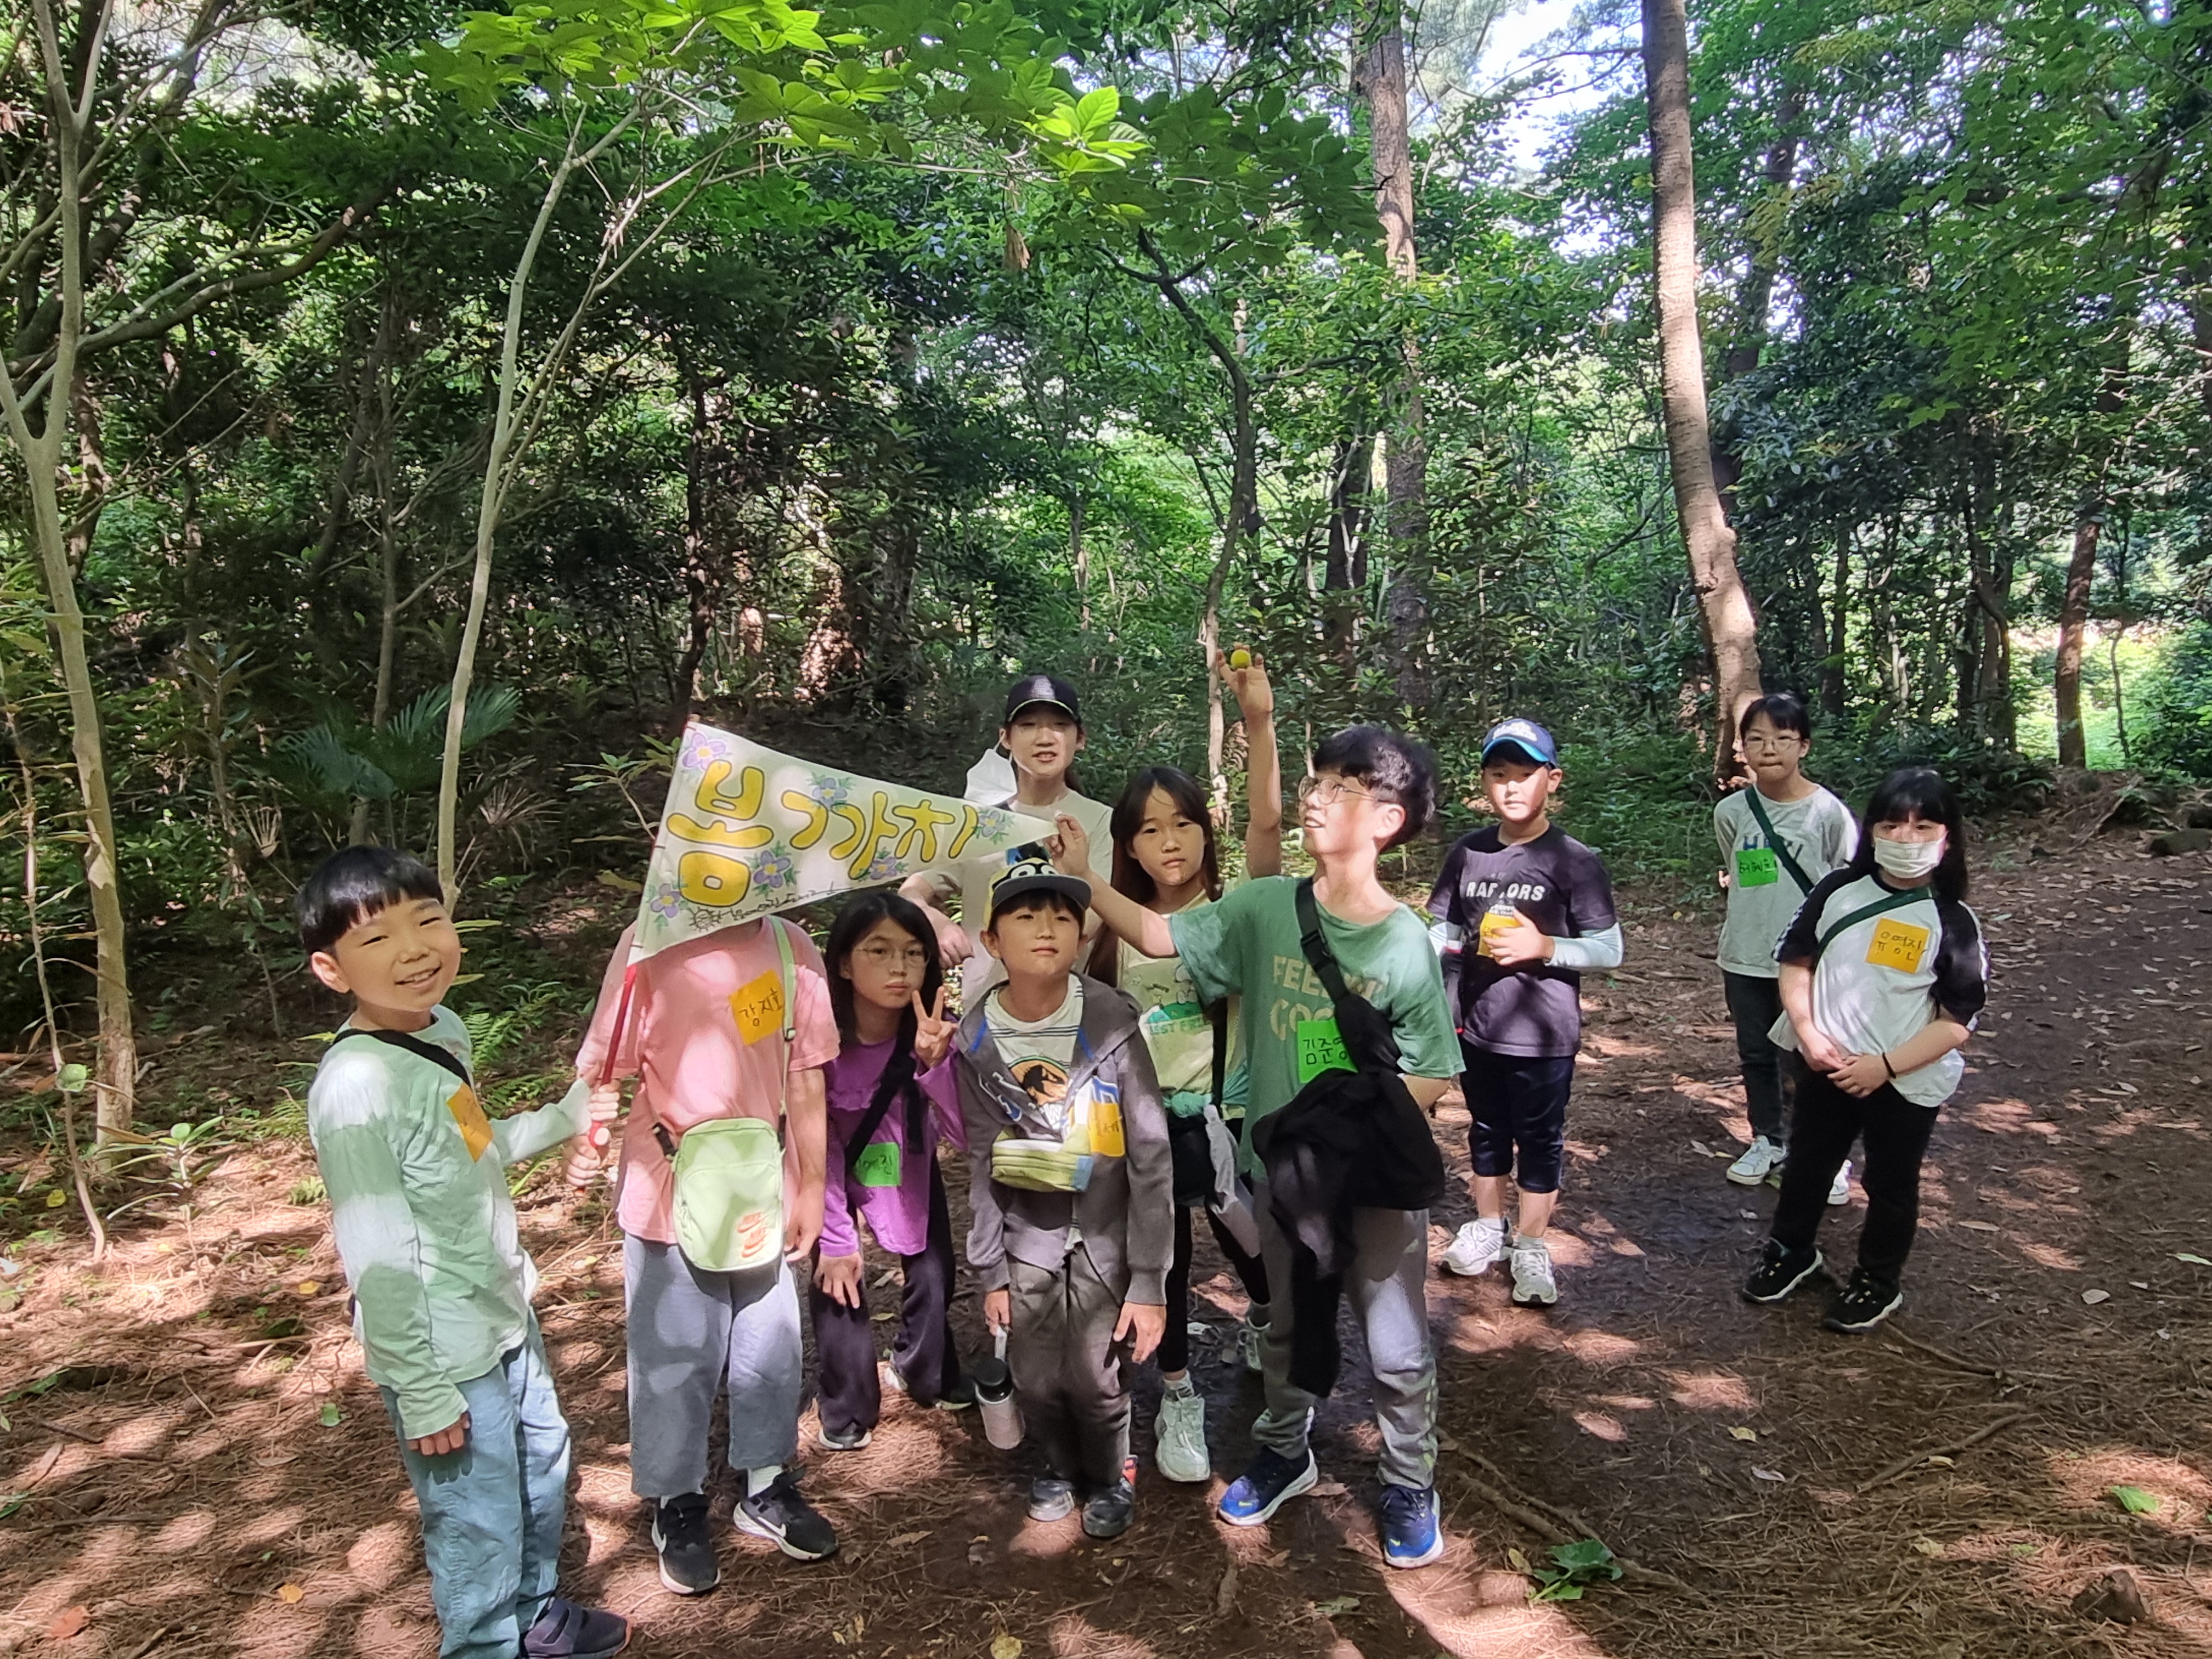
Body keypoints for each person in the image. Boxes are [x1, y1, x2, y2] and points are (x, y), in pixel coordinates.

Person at [1052, 725, 1460, 1570]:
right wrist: (1086, 878)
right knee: (1285, 1324)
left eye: (1342, 787)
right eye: (1316, 781)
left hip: (1371, 1180)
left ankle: (1409, 1478)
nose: (1317, 797)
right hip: (1281, 1175)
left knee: (1396, 1347)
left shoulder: (1404, 941)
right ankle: (1284, 1448)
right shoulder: (1267, 908)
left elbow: (1433, 1069)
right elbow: (1160, 937)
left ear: (1387, 821)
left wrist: (1349, 1131)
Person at [297, 847, 628, 1659]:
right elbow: (373, 1246)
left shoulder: (441, 1031)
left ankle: (534, 1614)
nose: (414, 950)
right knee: (476, 1516)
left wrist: (565, 1115)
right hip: (442, 1347)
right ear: (331, 969)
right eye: (377, 939)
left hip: (501, 1308)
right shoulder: (354, 1087)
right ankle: (484, 1644)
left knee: (541, 1463)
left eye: (428, 920)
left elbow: (469, 1145)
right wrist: (419, 1386)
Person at [573, 906, 839, 1594]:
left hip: (762, 1183)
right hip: (671, 1182)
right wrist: (586, 1135)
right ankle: (678, 1500)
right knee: (675, 1354)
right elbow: (606, 1067)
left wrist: (813, 1185)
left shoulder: (790, 946)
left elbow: (806, 1074)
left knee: (769, 1342)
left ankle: (766, 1483)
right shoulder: (650, 943)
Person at [1086, 650, 1283, 1485]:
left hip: (1225, 1120)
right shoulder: (1106, 927)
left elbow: (1268, 832)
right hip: (1143, 1125)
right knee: (1160, 1259)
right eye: (1148, 829)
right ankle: (1177, 1394)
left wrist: (1259, 723)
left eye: (1182, 823)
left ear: (1206, 829)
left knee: (1250, 1247)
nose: (1168, 842)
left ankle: (1267, 1328)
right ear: (1129, 847)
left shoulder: (1237, 912)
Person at [953, 853, 1173, 1541]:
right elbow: (983, 1159)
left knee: (1097, 1374)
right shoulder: (977, 1040)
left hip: (1108, 1234)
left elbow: (1150, 1154)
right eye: (1025, 916)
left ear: (1083, 935)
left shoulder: (1111, 1021)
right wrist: (990, 1268)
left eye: (1061, 916)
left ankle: (1109, 1473)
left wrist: (1150, 1279)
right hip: (1030, 1237)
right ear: (993, 941)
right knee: (1036, 1374)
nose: (1046, 928)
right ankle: (1056, 1465)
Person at [1741, 766, 1987, 1334]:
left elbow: (1957, 1022)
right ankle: (1791, 1252)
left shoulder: (1952, 921)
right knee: (1807, 1166)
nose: (1905, 839)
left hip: (1904, 1081)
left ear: (1948, 838)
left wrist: (1885, 1066)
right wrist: (1809, 1033)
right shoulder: (1837, 891)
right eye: (1892, 826)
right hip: (1826, 1063)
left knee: (1891, 1184)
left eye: (1923, 827)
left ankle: (1878, 1280)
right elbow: (1795, 961)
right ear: (1871, 830)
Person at [1429, 719, 1622, 1308]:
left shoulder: (1573, 860)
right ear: (1484, 783)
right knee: (1486, 1128)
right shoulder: (1469, 853)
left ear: (1552, 780)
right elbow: (1444, 932)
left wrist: (1544, 947)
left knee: (1540, 1137)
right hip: (1477, 1025)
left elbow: (1609, 949)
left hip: (1545, 1033)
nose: (1511, 787)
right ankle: (1489, 1225)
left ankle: (1532, 1243)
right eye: (1499, 774)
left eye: (1524, 774)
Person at [811, 891, 970, 1450]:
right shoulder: (818, 1038)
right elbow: (816, 1140)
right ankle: (847, 1402)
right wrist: (836, 1235)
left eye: (913, 952)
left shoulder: (937, 1029)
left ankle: (926, 1367)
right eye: (878, 951)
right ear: (843, 964)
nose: (898, 967)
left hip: (909, 1163)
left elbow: (961, 1134)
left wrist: (936, 1061)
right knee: (836, 1276)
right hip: (828, 1165)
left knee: (933, 1271)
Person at [1712, 693, 1858, 1198]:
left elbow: (1848, 884)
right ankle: (1768, 1140)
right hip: (1745, 953)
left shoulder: (1828, 813)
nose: (1769, 749)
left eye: (1782, 738)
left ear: (1804, 746)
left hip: (1808, 962)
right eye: (1756, 739)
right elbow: (1738, 871)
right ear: (1743, 749)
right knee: (1756, 1054)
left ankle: (1825, 1153)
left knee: (1813, 1056)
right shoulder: (1732, 811)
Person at [901, 672, 1114, 997]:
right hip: (984, 1011)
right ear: (1006, 738)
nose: (1045, 738)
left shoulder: (1100, 821)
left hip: (1071, 1011)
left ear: (1080, 738)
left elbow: (1094, 917)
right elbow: (911, 892)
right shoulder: (976, 820)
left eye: (1059, 726)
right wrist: (934, 920)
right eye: (1028, 725)